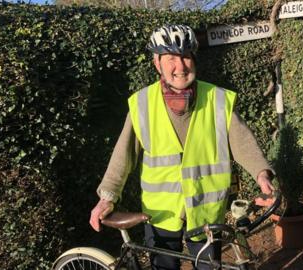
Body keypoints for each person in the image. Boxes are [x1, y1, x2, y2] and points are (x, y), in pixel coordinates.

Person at [89, 24, 275, 270]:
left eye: (186, 57)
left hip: (206, 212)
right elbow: (123, 156)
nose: (180, 66)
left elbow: (243, 143)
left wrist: (262, 175)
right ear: (157, 63)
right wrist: (107, 196)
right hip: (161, 213)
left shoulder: (218, 99)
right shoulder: (142, 104)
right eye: (171, 59)